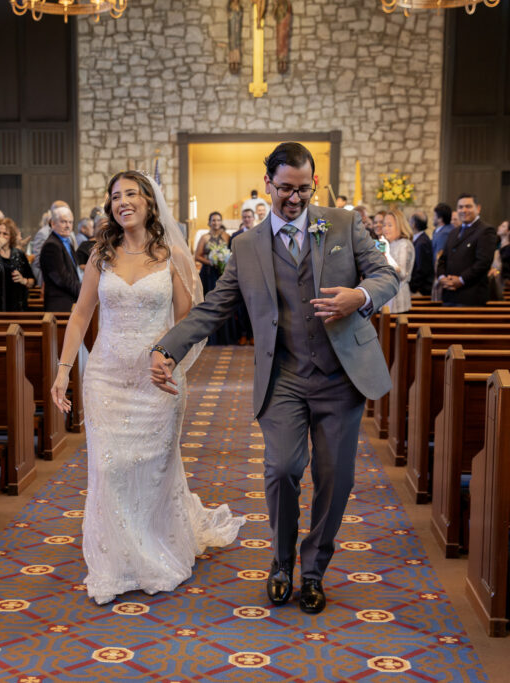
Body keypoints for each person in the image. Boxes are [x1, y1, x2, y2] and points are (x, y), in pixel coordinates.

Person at [150, 142, 398, 614]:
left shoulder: (342, 225)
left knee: (336, 478)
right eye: (286, 188)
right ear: (268, 185)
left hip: (341, 375)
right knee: (283, 469)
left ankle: (314, 569)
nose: (296, 198)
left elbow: (387, 276)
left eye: (304, 189)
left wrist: (360, 296)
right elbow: (214, 308)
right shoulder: (246, 246)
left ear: (314, 184)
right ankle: (282, 561)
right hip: (283, 376)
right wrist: (166, 347)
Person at [49, 170, 244, 605]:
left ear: (149, 201)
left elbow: (187, 322)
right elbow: (80, 315)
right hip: (106, 376)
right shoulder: (101, 254)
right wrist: (64, 369)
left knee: (152, 468)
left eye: (131, 194)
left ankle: (154, 548)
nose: (123, 202)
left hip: (156, 380)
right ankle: (117, 561)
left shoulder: (173, 253)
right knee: (110, 468)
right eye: (116, 196)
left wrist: (171, 362)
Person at [435, 194, 497, 306]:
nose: (463, 210)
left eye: (468, 206)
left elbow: (483, 263)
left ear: (478, 208)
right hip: (449, 295)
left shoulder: (486, 231)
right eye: (460, 207)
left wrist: (461, 280)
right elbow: (443, 259)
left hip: (471, 296)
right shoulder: (454, 232)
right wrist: (442, 277)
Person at [195, 211, 235, 345]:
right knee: (210, 302)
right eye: (213, 220)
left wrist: (224, 260)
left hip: (223, 273)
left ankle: (225, 337)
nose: (216, 223)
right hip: (208, 274)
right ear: (209, 222)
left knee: (223, 302)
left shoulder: (227, 236)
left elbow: (231, 253)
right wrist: (212, 261)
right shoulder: (204, 238)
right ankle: (210, 338)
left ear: (221, 222)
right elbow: (197, 256)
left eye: (218, 220)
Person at [0, 217, 33, 311]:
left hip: (16, 307)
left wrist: (23, 280)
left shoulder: (19, 254)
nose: (0, 236)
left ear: (11, 236)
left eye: (5, 234)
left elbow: (32, 281)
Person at [38, 205, 82, 312]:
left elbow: (74, 272)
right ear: (53, 223)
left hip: (70, 300)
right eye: (63, 222)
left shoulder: (67, 242)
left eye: (70, 222)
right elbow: (62, 279)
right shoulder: (51, 246)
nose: (68, 226)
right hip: (60, 304)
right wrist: (83, 292)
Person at [230, 208, 257, 344]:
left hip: (256, 275)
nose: (247, 219)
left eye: (249, 217)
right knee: (240, 307)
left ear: (253, 218)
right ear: (242, 219)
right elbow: (232, 254)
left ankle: (253, 335)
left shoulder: (260, 233)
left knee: (253, 307)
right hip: (241, 274)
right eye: (245, 217)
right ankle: (243, 334)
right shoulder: (235, 235)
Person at [382, 210, 415, 313]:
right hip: (387, 297)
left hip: (398, 300)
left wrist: (386, 255)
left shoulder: (404, 244)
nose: (385, 228)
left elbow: (401, 274)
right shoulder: (390, 244)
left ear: (400, 226)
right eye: (384, 225)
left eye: (390, 225)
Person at [409, 212, 434, 296]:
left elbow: (421, 268)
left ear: (414, 224)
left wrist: (413, 287)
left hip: (421, 289)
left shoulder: (422, 242)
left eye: (410, 221)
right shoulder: (420, 239)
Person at [493, 219, 510, 292]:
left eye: (503, 226)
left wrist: (509, 282)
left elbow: (507, 267)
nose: (499, 227)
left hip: (506, 280)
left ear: (509, 231)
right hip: (495, 278)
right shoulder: (497, 245)